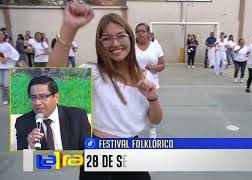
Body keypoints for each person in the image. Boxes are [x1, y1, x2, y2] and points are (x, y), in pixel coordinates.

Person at [48, 3, 162, 179]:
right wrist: (69, 27)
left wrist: (152, 98)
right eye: (107, 38)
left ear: (130, 38)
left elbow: (155, 120)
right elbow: (52, 77)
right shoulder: (93, 72)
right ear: (99, 44)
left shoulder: (146, 76)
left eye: (120, 36)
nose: (115, 43)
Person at [15, 76, 91, 150]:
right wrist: (30, 147)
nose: (37, 102)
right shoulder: (22, 123)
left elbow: (90, 151)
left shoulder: (77, 116)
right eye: (33, 97)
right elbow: (23, 160)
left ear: (56, 97)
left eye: (43, 96)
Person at [135, 22, 165, 138]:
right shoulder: (132, 47)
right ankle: (134, 131)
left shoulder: (155, 46)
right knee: (136, 106)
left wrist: (154, 67)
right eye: (138, 31)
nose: (141, 33)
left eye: (143, 31)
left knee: (151, 106)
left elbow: (162, 65)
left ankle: (152, 129)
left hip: (152, 82)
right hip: (135, 82)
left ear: (148, 33)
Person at [0, 30, 20, 105]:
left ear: (3, 36)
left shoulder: (7, 44)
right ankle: (5, 98)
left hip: (7, 67)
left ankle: (14, 98)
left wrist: (6, 58)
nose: (0, 36)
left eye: (1, 34)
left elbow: (15, 53)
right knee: (1, 85)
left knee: (6, 85)